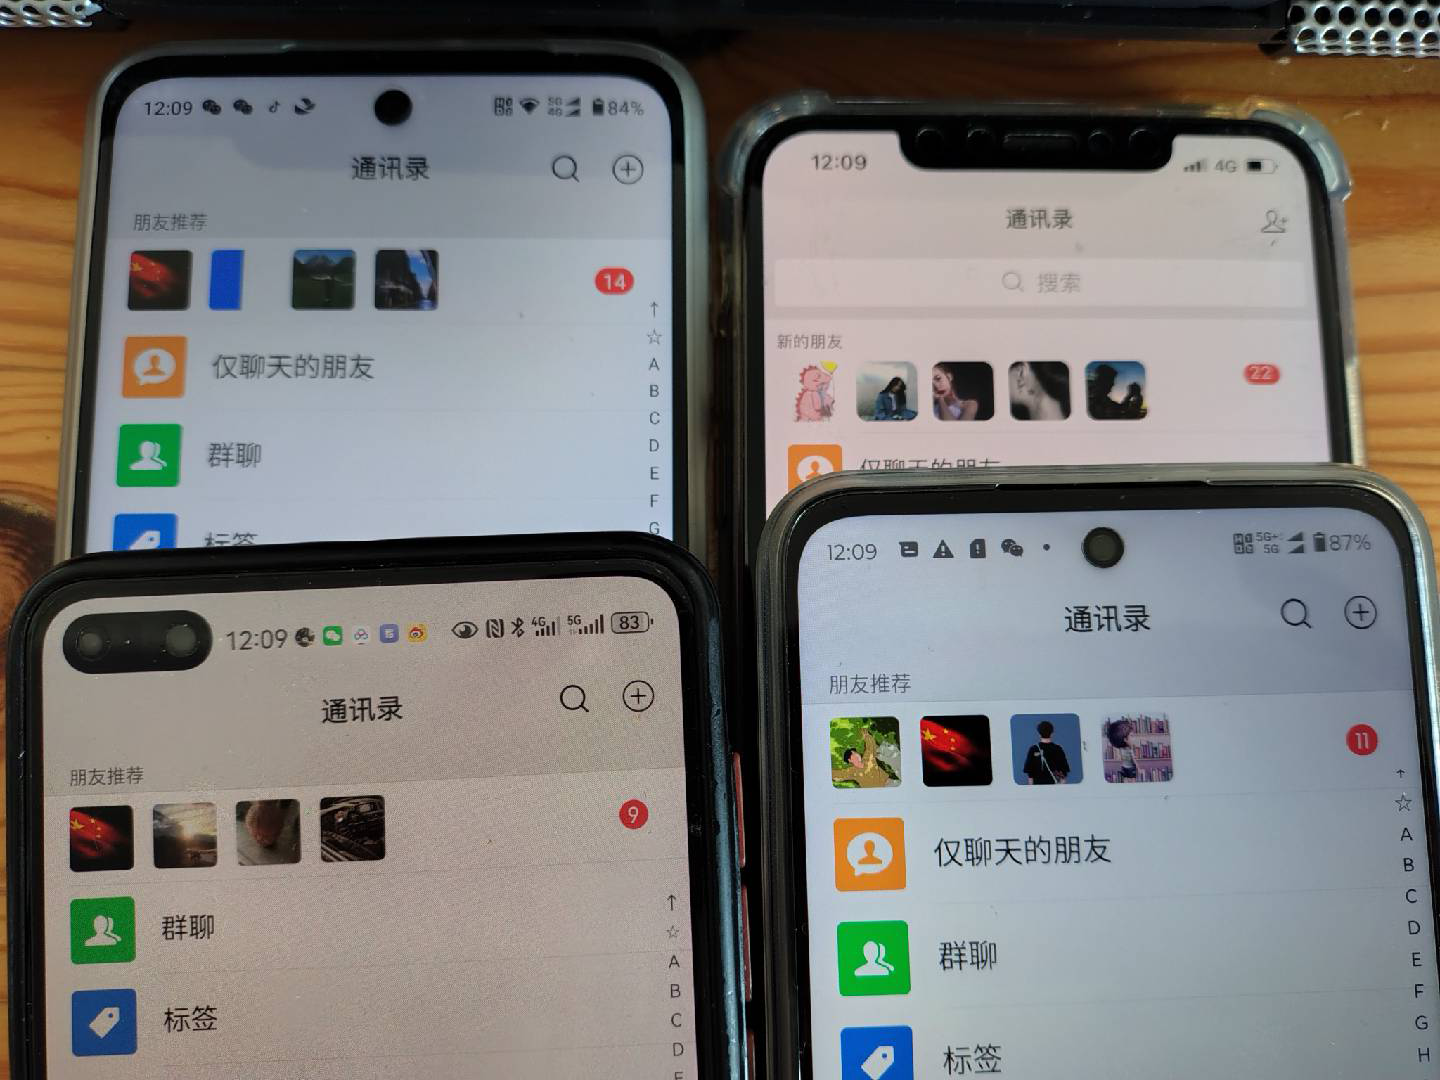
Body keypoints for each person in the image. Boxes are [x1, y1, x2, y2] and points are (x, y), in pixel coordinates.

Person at [1022, 719, 1071, 784]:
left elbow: (1030, 775)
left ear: (1039, 733)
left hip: (1038, 786)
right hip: (1054, 786)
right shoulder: (1058, 749)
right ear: (1052, 732)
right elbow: (1063, 773)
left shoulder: (1033, 749)